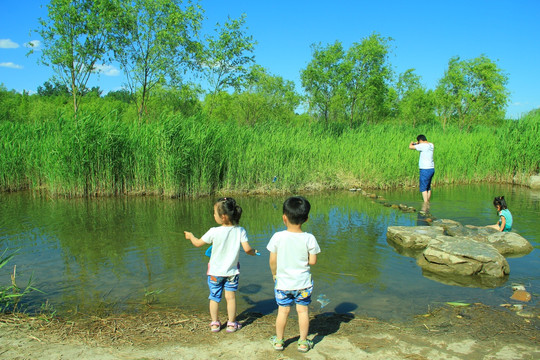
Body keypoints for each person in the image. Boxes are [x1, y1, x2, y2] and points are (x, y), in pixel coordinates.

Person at [184, 197, 258, 333]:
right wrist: (254, 252)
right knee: (230, 297)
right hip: (231, 273)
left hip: (215, 273)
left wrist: (190, 236)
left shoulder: (213, 231)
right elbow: (247, 249)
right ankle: (231, 323)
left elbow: (197, 243)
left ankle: (215, 324)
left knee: (214, 297)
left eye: (214, 212)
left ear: (223, 217)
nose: (213, 215)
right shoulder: (240, 230)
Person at [266, 196, 321, 353]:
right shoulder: (309, 238)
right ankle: (303, 343)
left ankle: (279, 341)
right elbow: (313, 261)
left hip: (283, 283)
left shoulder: (277, 237)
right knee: (303, 311)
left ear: (284, 217)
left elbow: (272, 260)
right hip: (303, 284)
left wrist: (274, 274)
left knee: (282, 311)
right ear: (306, 218)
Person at [409, 134, 435, 203]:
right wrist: (418, 143)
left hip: (425, 169)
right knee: (428, 187)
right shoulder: (431, 145)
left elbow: (410, 147)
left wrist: (412, 143)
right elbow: (426, 142)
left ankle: (425, 204)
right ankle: (428, 201)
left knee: (423, 187)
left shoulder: (422, 146)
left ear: (420, 140)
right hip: (431, 168)